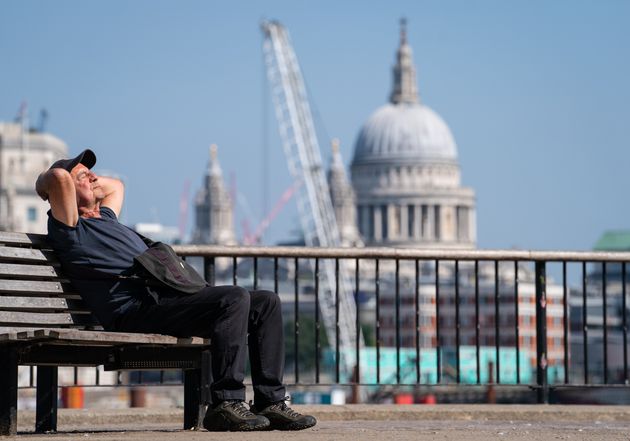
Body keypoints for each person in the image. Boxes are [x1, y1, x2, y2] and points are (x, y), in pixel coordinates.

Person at [35, 149, 316, 432]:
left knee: (266, 302)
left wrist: (86, 180)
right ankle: (225, 403)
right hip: (135, 311)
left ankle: (270, 400)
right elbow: (58, 176)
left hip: (165, 300)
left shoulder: (106, 218)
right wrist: (51, 183)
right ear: (66, 191)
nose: (96, 178)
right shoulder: (70, 229)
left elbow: (117, 186)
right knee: (233, 298)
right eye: (84, 176)